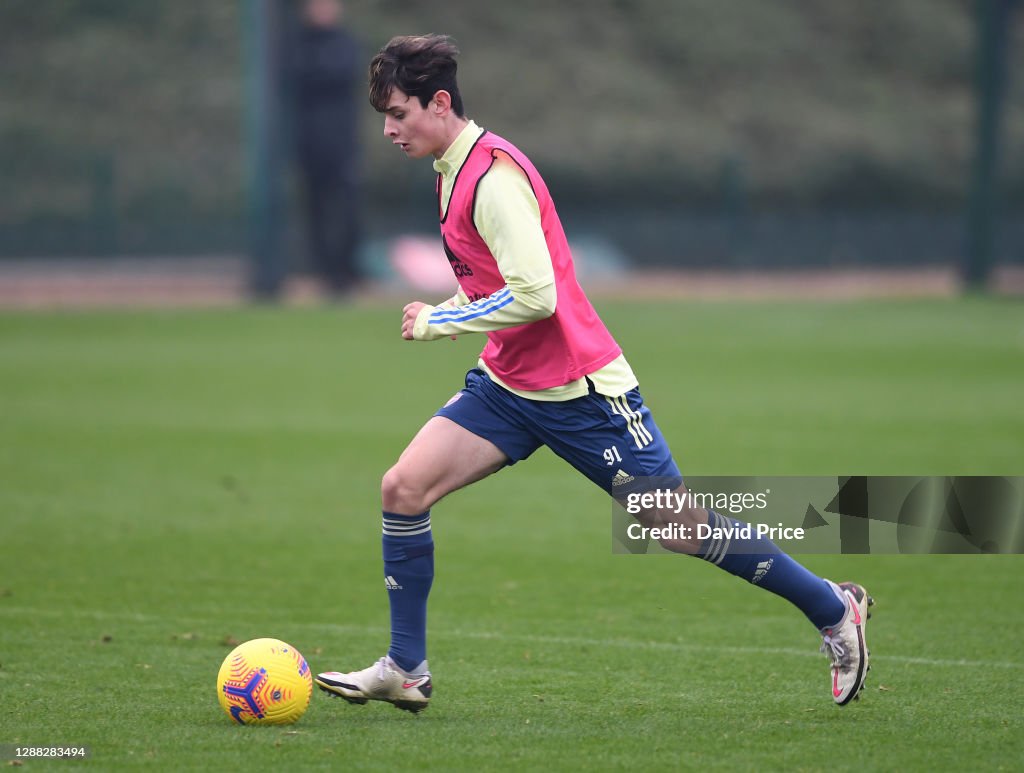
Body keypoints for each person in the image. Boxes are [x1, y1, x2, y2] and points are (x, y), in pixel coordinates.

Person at [315, 34, 872, 713]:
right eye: (384, 115)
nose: (389, 129)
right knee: (403, 487)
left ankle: (833, 605)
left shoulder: (492, 179)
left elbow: (537, 294)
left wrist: (442, 321)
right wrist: (448, 306)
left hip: (583, 393)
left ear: (439, 103)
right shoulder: (450, 170)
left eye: (399, 113)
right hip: (510, 386)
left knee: (677, 526)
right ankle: (406, 667)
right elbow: (499, 283)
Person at [289, 0, 362, 296]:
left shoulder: (346, 43)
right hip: (309, 143)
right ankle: (325, 273)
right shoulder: (297, 44)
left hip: (342, 143)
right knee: (316, 208)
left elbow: (342, 75)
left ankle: (346, 270)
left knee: (347, 207)